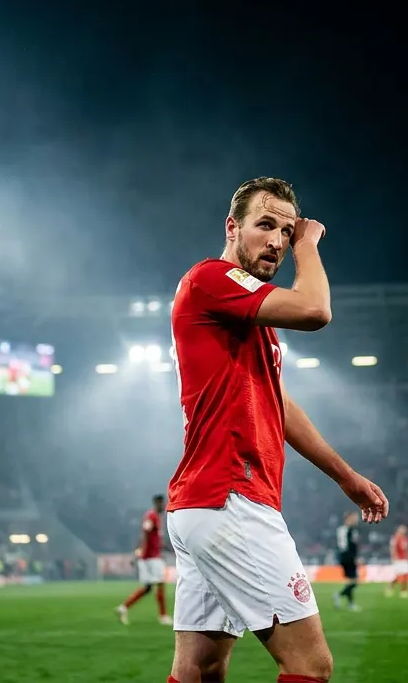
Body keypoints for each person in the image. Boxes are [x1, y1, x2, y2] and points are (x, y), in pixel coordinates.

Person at [166, 177, 389, 683]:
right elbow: (315, 310)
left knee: (199, 670)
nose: (278, 240)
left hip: (203, 503)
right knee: (311, 665)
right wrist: (309, 243)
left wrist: (346, 477)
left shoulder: (248, 316)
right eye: (265, 225)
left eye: (287, 232)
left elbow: (278, 404)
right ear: (232, 227)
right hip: (230, 498)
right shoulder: (211, 278)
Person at [117, 494, 173, 625]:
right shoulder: (151, 516)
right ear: (156, 503)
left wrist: (171, 550)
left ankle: (123, 608)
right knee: (160, 583)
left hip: (150, 557)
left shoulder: (156, 518)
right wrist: (136, 552)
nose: (164, 506)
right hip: (151, 558)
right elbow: (144, 535)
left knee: (148, 588)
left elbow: (156, 540)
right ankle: (163, 616)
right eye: (162, 503)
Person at [332, 512, 362, 612]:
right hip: (348, 557)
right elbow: (350, 545)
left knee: (350, 581)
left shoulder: (341, 530)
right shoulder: (350, 530)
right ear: (348, 519)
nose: (356, 520)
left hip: (343, 556)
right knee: (354, 581)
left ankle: (351, 604)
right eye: (354, 518)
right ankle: (339, 595)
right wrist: (355, 558)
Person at [384, 525, 408, 598]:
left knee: (406, 575)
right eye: (403, 529)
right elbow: (392, 548)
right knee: (399, 576)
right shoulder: (395, 537)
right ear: (399, 530)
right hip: (398, 559)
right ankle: (390, 587)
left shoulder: (405, 538)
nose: (405, 530)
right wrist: (394, 557)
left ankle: (404, 591)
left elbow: (405, 549)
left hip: (405, 559)